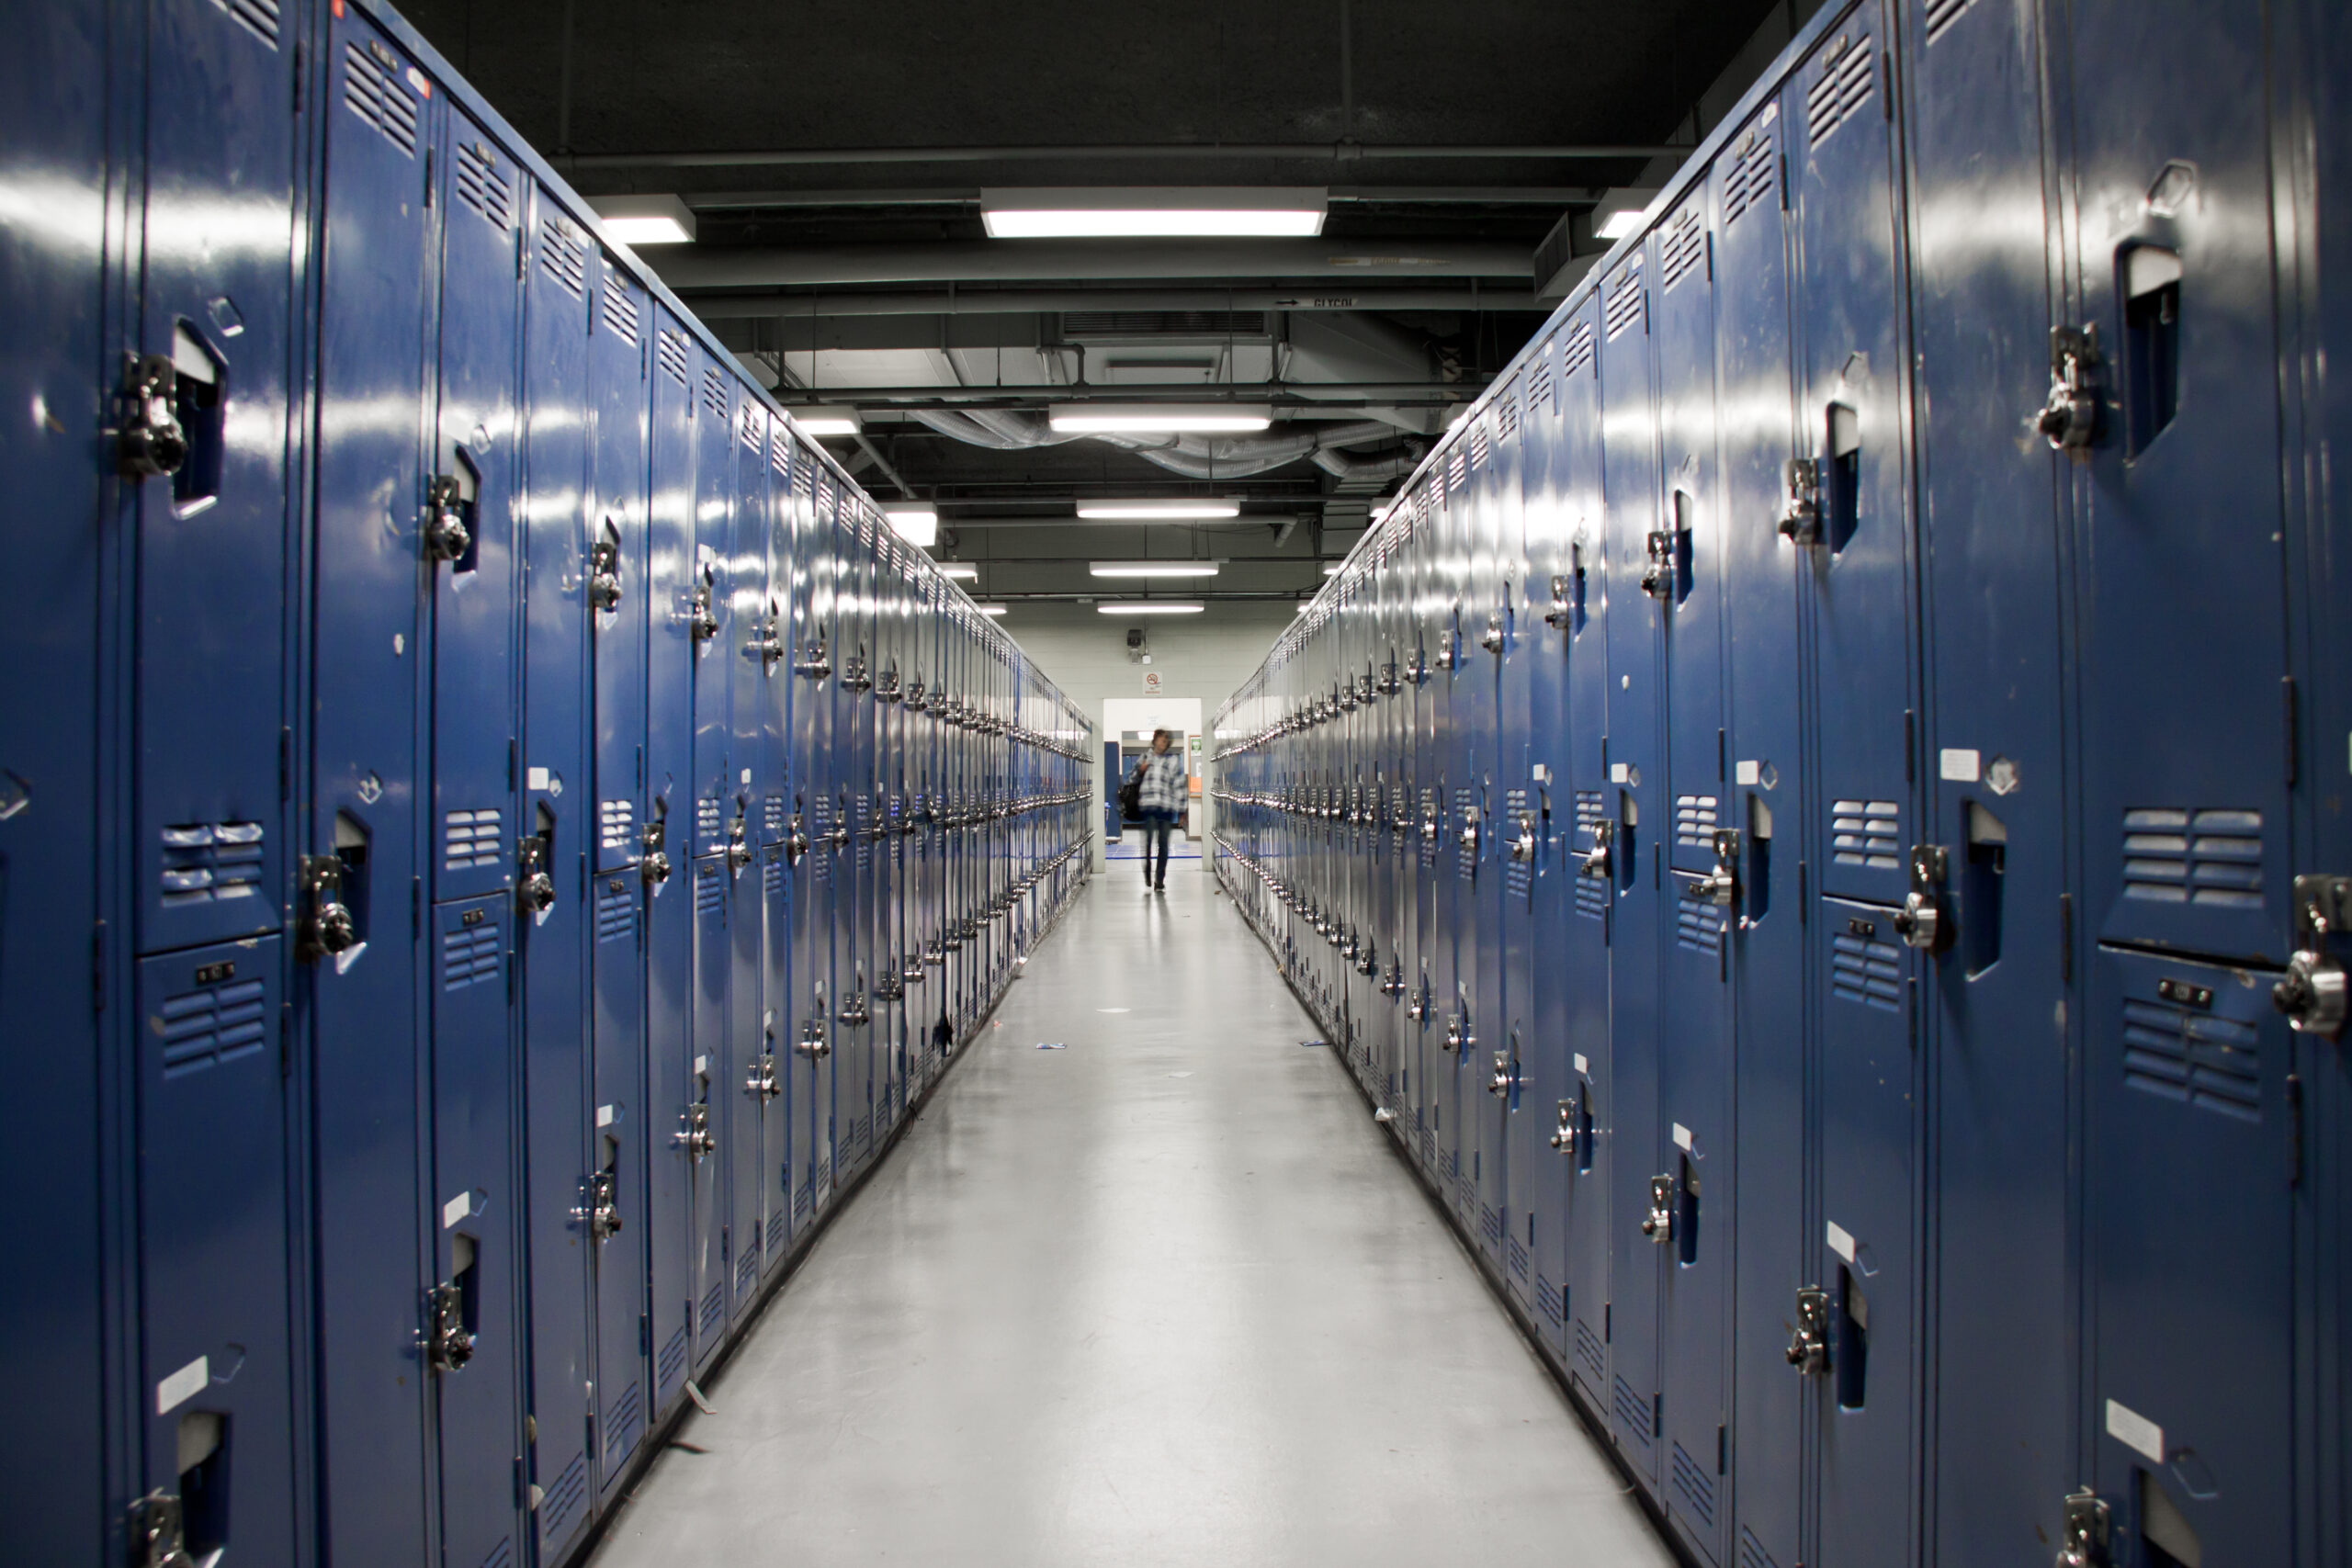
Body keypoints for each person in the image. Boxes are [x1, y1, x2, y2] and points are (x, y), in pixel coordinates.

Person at [1132, 728, 1188, 893]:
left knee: (1163, 845)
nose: (1163, 743)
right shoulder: (1144, 757)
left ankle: (1159, 879)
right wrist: (1139, 771)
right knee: (1148, 842)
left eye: (1166, 741)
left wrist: (1182, 811)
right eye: (1161, 740)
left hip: (1166, 808)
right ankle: (1148, 868)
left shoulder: (1172, 761)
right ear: (1155, 739)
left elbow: (1179, 785)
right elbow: (1131, 779)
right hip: (1148, 807)